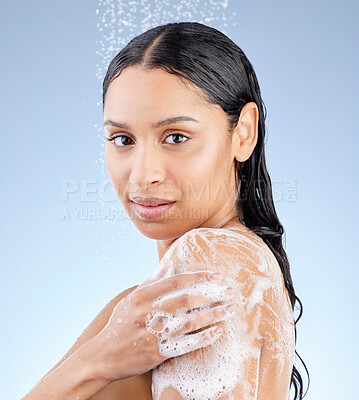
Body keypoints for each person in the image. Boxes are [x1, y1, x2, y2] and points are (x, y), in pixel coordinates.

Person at [22, 21, 308, 400]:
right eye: (122, 139)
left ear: (243, 133)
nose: (143, 175)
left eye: (176, 137)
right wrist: (98, 358)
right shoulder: (142, 314)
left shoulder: (204, 269)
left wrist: (97, 362)